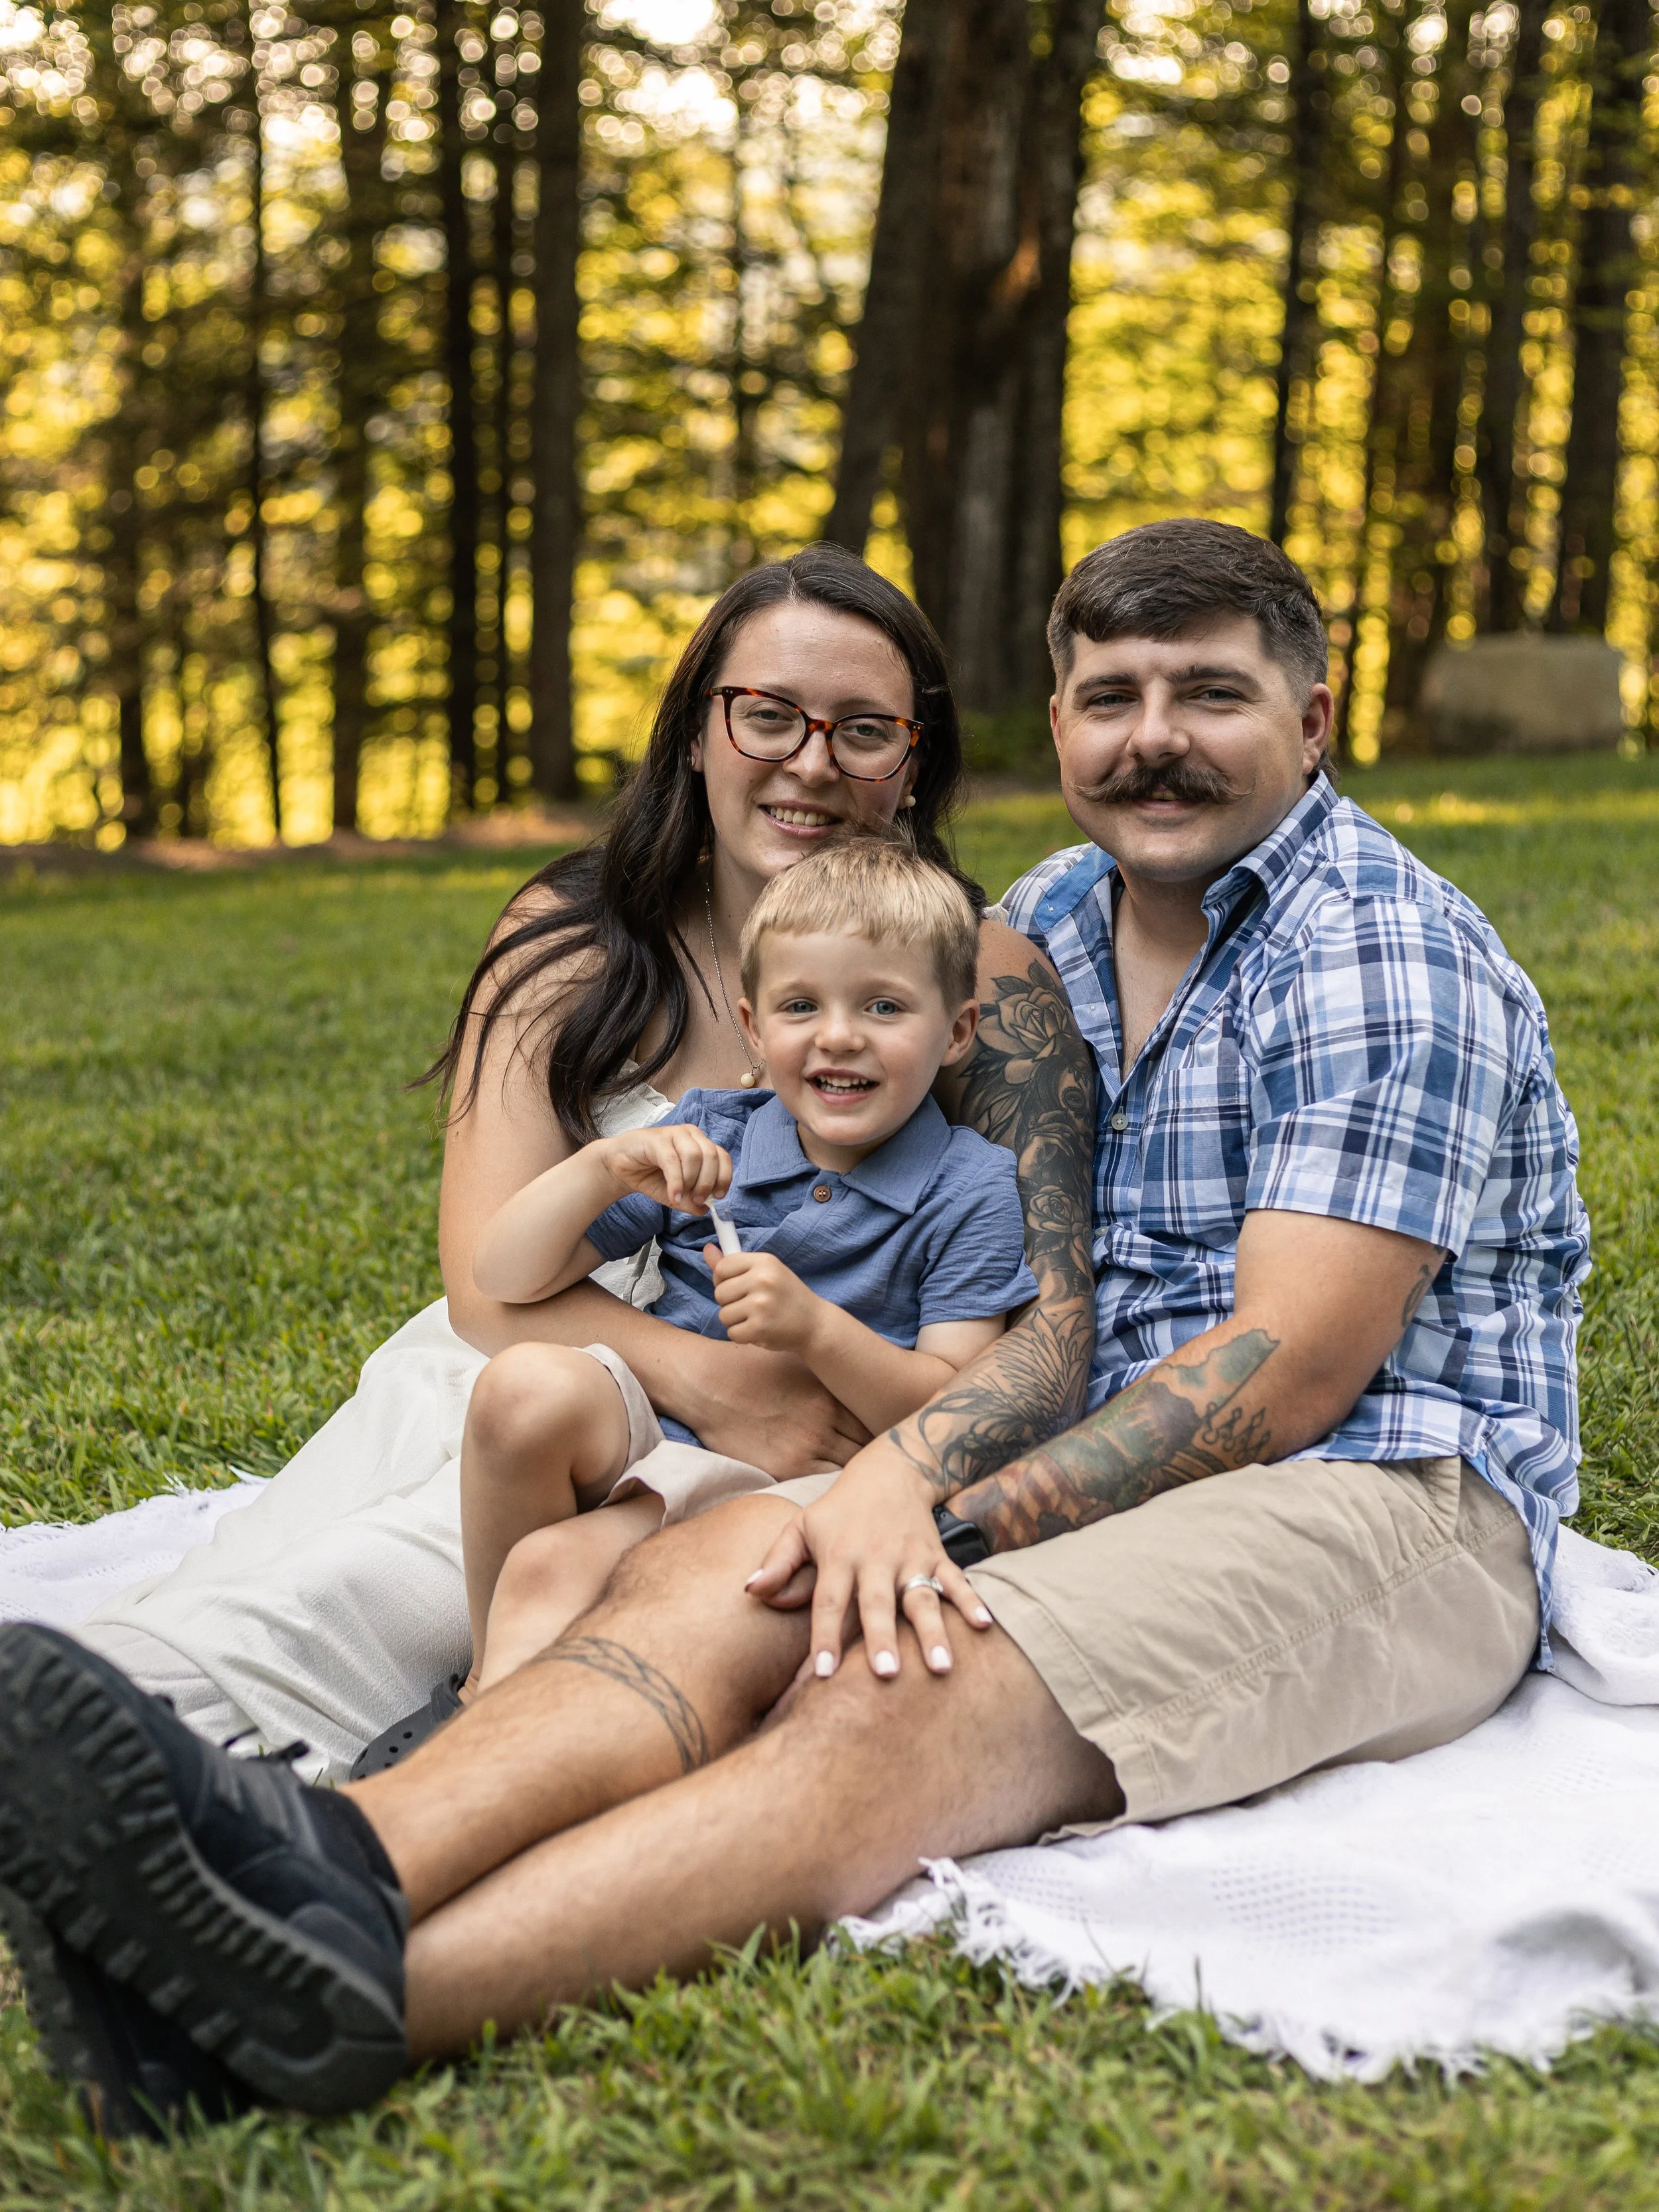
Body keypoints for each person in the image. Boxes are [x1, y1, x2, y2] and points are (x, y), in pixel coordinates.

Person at [0, 520, 1588, 2138]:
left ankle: (339, 2007)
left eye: (1209, 694)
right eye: (1110, 695)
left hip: (1384, 1498)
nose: (1153, 737)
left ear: (1311, 721)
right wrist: (878, 1468)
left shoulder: (1375, 949)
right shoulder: (1026, 931)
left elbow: (1290, 1371)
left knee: (889, 1686)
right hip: (1073, 1459)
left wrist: (916, 1482)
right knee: (714, 1564)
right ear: (1056, 730)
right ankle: (336, 1857)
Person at [66, 546, 1095, 1787]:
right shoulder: (571, 941)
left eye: (864, 730)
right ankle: (127, 1738)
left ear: (912, 758)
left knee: (516, 1586)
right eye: (766, 713)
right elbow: (486, 1284)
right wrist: (725, 1380)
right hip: (544, 1360)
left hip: (832, 1426)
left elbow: (1040, 1326)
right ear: (698, 731)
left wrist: (833, 1408)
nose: (811, 761)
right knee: (343, 1571)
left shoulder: (981, 974)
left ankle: (398, 1785)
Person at [447, 838, 1036, 1707]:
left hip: (817, 1486)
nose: (839, 1036)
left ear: (955, 1032)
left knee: (549, 1569)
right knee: (522, 1391)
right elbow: (503, 1277)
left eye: (883, 1006)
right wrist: (603, 1171)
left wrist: (815, 1332)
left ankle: (495, 1733)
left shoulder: (970, 1185)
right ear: (754, 1027)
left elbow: (949, 1412)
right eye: (802, 1005)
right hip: (673, 1439)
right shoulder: (718, 1135)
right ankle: (487, 1701)